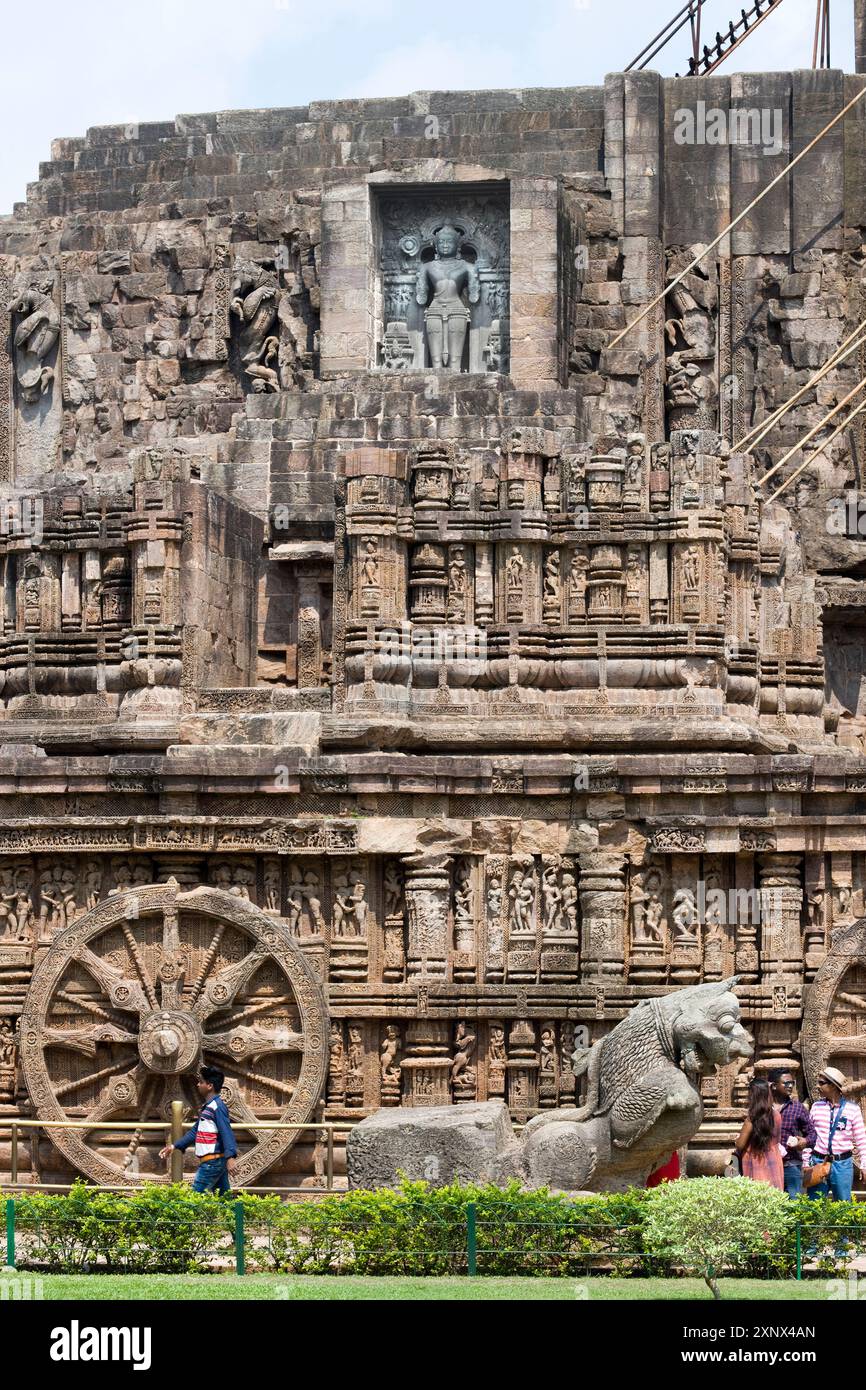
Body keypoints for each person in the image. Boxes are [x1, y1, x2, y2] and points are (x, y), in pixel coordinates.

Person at [159, 1065, 238, 1195]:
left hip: (212, 1163)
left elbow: (226, 1132)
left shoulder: (217, 1107)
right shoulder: (208, 1108)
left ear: (210, 1086)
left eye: (201, 1082)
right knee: (225, 1202)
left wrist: (230, 1157)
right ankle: (237, 1215)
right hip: (215, 1162)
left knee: (195, 1199)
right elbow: (195, 1132)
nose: (197, 1085)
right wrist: (174, 1146)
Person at [806, 1066, 866, 1202]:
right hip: (818, 1161)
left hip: (842, 1164)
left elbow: (862, 1140)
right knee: (814, 1203)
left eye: (821, 1083)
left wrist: (864, 1165)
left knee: (843, 1204)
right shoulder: (816, 1107)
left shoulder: (852, 1109)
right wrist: (806, 1161)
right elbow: (810, 1136)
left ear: (833, 1086)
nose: (817, 1086)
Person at [769, 1068, 817, 1198]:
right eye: (786, 1083)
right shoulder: (764, 1108)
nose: (790, 1086)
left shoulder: (797, 1107)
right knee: (769, 1204)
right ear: (773, 1086)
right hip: (768, 1164)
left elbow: (812, 1134)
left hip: (791, 1165)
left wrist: (804, 1142)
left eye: (792, 1083)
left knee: (793, 1204)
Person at [735, 1077, 784, 1189]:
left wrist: (737, 1138)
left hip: (755, 1160)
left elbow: (740, 1145)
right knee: (773, 1195)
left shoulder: (751, 1119)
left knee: (757, 1196)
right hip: (774, 1159)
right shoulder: (777, 1115)